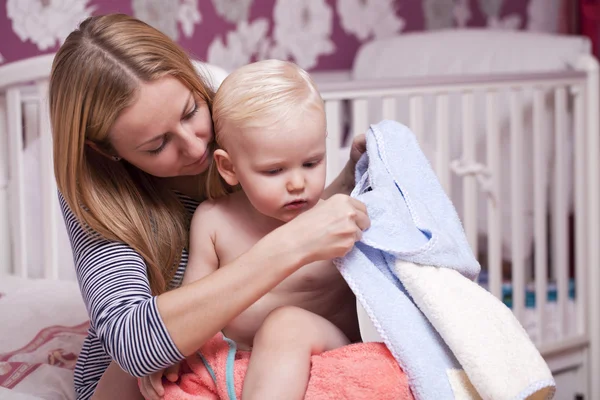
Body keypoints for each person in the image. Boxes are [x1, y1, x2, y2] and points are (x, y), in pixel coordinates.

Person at [49, 13, 369, 400]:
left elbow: (296, 206)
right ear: (106, 151)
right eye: (156, 145)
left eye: (190, 112)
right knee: (140, 364)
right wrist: (291, 246)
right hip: (145, 376)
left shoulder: (233, 121)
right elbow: (133, 343)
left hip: (268, 355)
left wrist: (351, 177)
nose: (195, 145)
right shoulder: (98, 196)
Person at [175, 59, 360, 400]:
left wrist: (355, 173)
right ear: (229, 168)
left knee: (285, 323)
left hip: (333, 354)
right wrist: (169, 358)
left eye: (311, 163)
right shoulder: (214, 220)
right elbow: (193, 308)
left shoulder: (336, 218)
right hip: (242, 359)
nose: (297, 183)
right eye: (274, 170)